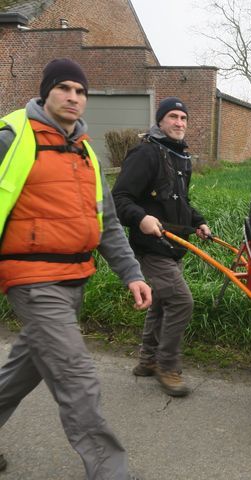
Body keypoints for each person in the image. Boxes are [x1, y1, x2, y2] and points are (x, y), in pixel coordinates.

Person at [0, 58, 151, 479]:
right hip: (31, 280)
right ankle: (110, 471)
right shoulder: (12, 138)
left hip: (73, 280)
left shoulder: (84, 150)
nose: (73, 97)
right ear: (46, 92)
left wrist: (133, 274)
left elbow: (107, 223)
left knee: (23, 370)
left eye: (80, 91)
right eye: (64, 88)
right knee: (77, 376)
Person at [112, 97, 211, 398]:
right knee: (182, 302)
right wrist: (140, 218)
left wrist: (199, 222)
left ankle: (147, 361)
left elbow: (179, 202)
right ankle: (167, 367)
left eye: (183, 117)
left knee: (162, 304)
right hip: (151, 249)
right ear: (160, 121)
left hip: (173, 247)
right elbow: (118, 200)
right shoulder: (146, 154)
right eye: (173, 117)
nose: (179, 123)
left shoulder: (179, 157)